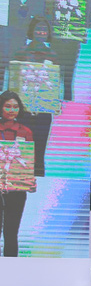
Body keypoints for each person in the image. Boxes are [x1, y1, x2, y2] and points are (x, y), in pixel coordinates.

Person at [0, 90, 36, 257]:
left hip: (17, 191)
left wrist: (30, 180)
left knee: (11, 233)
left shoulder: (25, 132)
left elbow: (28, 161)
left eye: (15, 107)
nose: (11, 110)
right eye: (7, 106)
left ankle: (10, 272)